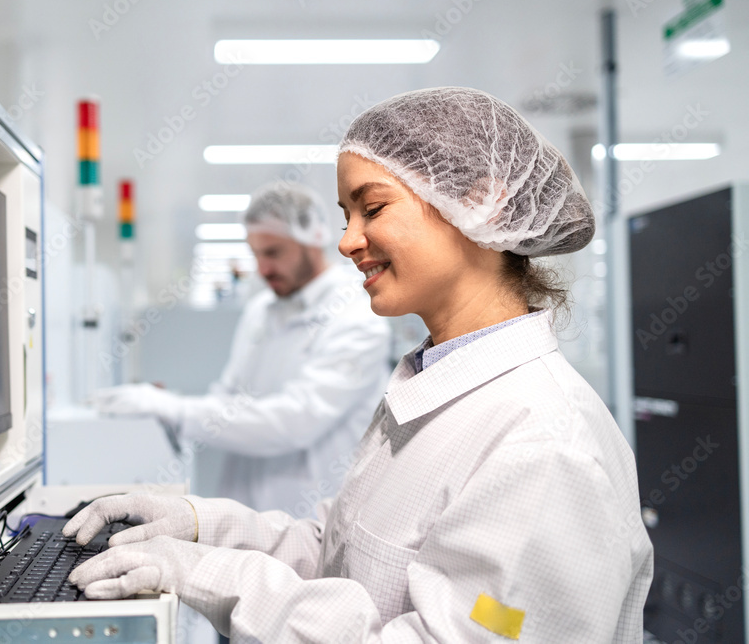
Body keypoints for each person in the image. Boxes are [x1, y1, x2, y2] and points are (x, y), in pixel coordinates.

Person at [65, 87, 653, 642]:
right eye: (347, 215)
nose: (347, 241)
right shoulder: (434, 385)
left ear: (479, 200)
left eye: (372, 208)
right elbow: (343, 554)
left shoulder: (544, 446)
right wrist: (198, 526)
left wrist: (213, 574)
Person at [93, 182, 391, 516]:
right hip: (246, 509)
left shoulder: (357, 319)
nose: (262, 269)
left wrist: (178, 410)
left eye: (273, 253)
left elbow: (295, 421)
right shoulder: (261, 310)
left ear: (313, 239)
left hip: (312, 514)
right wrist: (167, 408)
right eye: (256, 254)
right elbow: (228, 397)